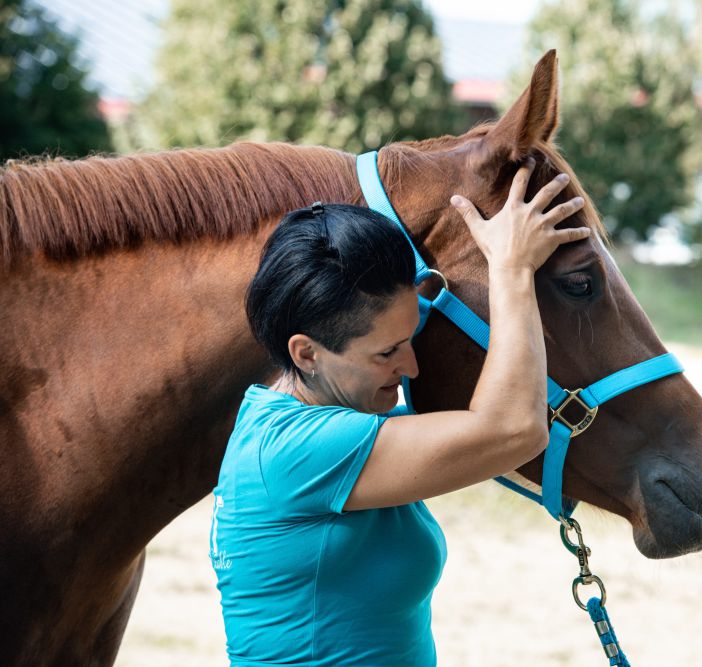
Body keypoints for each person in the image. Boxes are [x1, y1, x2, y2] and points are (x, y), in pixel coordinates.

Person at [209, 158, 589, 666]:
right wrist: (511, 268)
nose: (409, 365)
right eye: (387, 353)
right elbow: (514, 430)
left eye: (410, 339)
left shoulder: (302, 414)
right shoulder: (296, 451)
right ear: (307, 354)